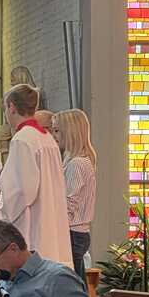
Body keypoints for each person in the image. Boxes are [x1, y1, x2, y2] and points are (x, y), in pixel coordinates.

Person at [0, 84, 73, 268]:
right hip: (52, 222)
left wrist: (3, 206)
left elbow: (22, 191)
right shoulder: (47, 138)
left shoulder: (22, 139)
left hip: (33, 228)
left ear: (11, 106)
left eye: (5, 108)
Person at [52, 109, 97, 280]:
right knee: (74, 283)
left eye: (57, 130)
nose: (53, 135)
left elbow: (68, 203)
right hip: (74, 232)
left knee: (72, 285)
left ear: (69, 132)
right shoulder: (72, 160)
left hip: (72, 233)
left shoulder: (77, 163)